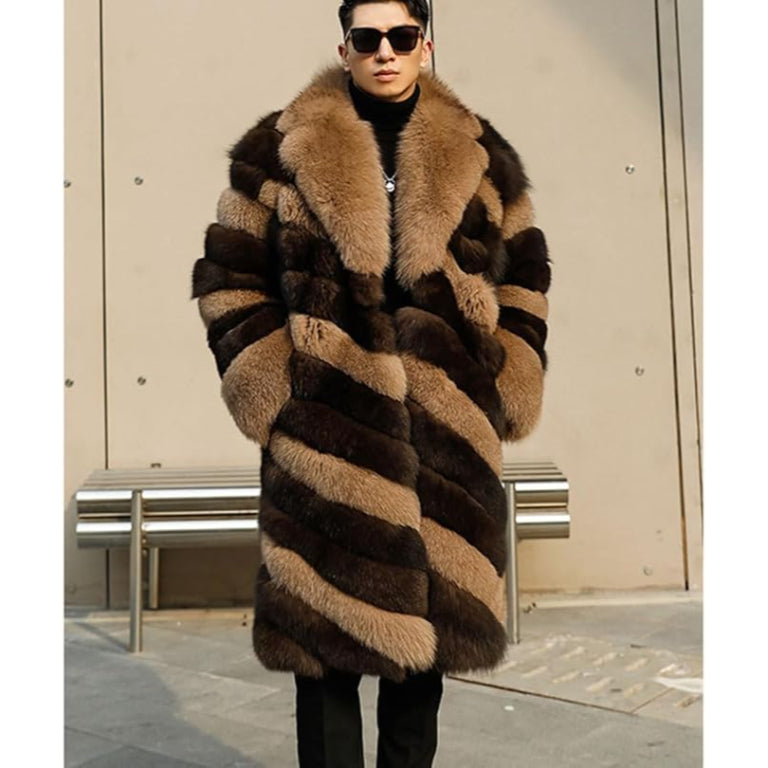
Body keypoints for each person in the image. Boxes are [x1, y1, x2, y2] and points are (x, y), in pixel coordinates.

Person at [191, 1, 551, 765]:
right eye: (368, 38)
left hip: (443, 432)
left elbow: (525, 275)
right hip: (328, 427)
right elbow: (231, 278)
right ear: (345, 47)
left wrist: (507, 377)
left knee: (425, 648)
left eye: (401, 37)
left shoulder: (482, 154)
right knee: (323, 650)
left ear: (426, 45)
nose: (385, 51)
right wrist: (273, 387)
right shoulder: (277, 152)